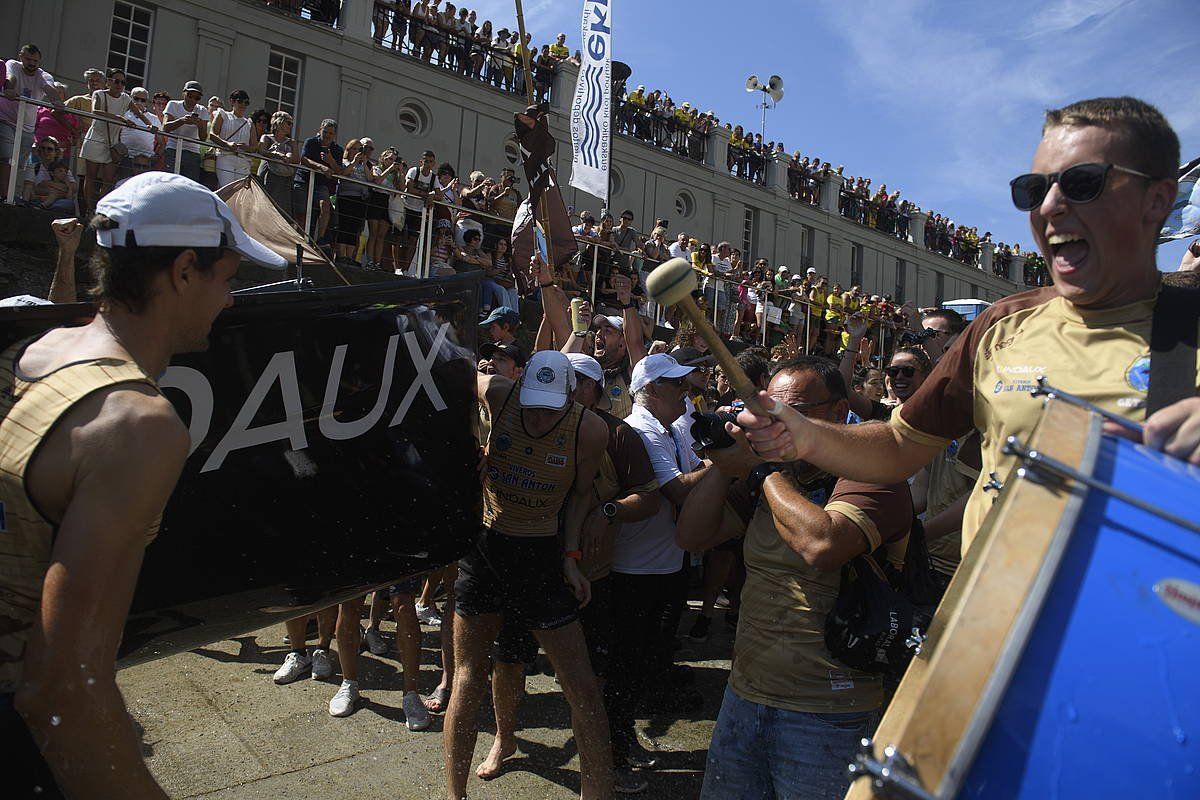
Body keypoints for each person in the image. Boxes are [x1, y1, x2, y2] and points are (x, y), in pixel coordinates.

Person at [737, 96, 1200, 565]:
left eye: (1083, 184)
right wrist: (806, 434)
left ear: (1157, 199)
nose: (1051, 206)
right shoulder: (1001, 325)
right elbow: (900, 444)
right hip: (981, 629)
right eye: (1034, 190)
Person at [2, 171, 284, 799]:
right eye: (228, 278)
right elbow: (59, 689)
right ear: (184, 270)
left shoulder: (43, 346)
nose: (231, 301)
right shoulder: (138, 424)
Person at [677, 357, 913, 800]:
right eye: (771, 413)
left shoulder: (872, 473)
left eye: (796, 412)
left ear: (841, 412)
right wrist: (725, 466)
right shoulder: (774, 479)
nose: (778, 425)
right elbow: (692, 536)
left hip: (829, 713)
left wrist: (764, 469)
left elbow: (822, 545)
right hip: (744, 697)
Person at [447, 350, 613, 800]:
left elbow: (580, 497)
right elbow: (456, 374)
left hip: (541, 552)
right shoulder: (500, 394)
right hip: (487, 547)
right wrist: (467, 447)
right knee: (468, 675)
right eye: (531, 405)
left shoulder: (590, 429)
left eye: (548, 408)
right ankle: (453, 795)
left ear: (573, 396)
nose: (538, 417)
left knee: (581, 687)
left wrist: (571, 556)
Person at [1, 44, 57, 200]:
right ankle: (5, 195)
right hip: (7, 120)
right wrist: (9, 89)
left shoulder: (43, 75)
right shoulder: (13, 65)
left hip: (27, 127)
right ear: (21, 57)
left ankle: (10, 194)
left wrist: (57, 101)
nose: (32, 63)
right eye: (28, 59)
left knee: (17, 164)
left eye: (35, 60)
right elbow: (10, 78)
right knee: (7, 157)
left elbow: (49, 88)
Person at [78, 68, 132, 214]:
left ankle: (100, 211)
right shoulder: (99, 94)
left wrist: (150, 125)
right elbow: (95, 112)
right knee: (91, 177)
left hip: (112, 142)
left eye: (123, 82)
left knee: (108, 179)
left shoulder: (126, 98)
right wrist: (118, 118)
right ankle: (89, 210)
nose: (119, 84)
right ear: (108, 81)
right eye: (116, 81)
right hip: (96, 139)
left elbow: (138, 112)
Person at [293, 118, 343, 241]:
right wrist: (321, 167)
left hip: (322, 184)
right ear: (320, 130)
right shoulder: (310, 142)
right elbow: (304, 159)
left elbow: (339, 170)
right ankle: (298, 241)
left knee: (325, 207)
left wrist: (330, 159)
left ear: (334, 135)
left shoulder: (337, 150)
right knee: (301, 214)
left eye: (330, 133)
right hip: (304, 180)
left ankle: (319, 239)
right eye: (325, 132)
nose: (327, 136)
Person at [161, 80, 210, 182]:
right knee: (170, 182)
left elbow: (203, 138)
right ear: (184, 93)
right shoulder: (173, 104)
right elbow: (165, 127)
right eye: (190, 95)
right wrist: (182, 121)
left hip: (193, 151)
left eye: (197, 98)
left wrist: (199, 124)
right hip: (173, 148)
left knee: (189, 185)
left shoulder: (202, 110)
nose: (192, 100)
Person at [208, 89, 256, 188]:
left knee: (239, 193)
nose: (243, 105)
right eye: (239, 101)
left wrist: (246, 147)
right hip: (225, 156)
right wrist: (227, 144)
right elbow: (212, 135)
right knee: (227, 188)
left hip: (243, 161)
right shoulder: (223, 115)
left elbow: (254, 147)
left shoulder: (249, 123)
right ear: (232, 101)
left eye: (246, 102)